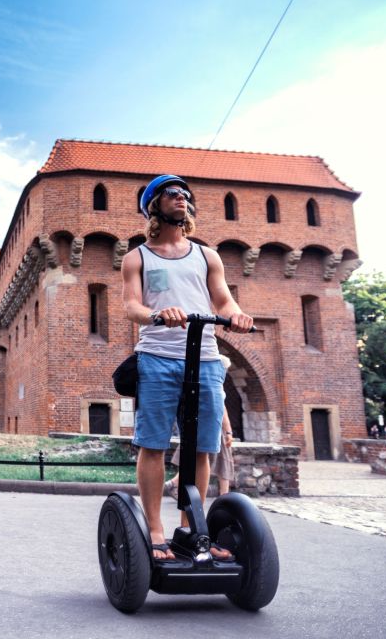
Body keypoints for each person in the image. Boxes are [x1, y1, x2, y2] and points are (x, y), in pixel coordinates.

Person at [122, 175, 253, 562]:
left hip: (206, 359)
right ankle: (156, 531)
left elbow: (223, 301)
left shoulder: (206, 255)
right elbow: (131, 307)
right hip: (157, 357)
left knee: (201, 448)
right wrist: (158, 315)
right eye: (172, 194)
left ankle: (190, 528)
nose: (181, 199)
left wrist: (237, 315)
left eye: (185, 195)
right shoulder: (137, 257)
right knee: (153, 444)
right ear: (154, 207)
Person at [164, 358, 236, 499]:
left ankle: (176, 484)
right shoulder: (214, 384)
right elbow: (221, 410)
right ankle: (223, 496)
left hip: (200, 425)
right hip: (213, 428)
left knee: (196, 456)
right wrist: (228, 432)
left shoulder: (203, 380)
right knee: (215, 460)